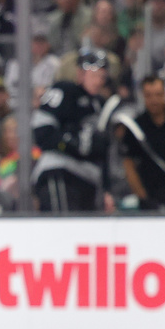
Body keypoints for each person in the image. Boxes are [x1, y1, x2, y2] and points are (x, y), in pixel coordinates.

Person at [32, 48, 115, 213]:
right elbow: (42, 132)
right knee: (63, 225)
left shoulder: (101, 104)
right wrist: (72, 143)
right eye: (94, 75)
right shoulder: (63, 90)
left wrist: (106, 189)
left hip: (89, 182)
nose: (99, 81)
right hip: (61, 172)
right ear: (80, 74)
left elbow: (103, 152)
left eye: (102, 76)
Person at [120, 75, 165, 211]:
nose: (154, 100)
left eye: (158, 94)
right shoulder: (136, 127)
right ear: (142, 96)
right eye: (149, 95)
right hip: (151, 199)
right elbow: (129, 164)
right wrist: (143, 197)